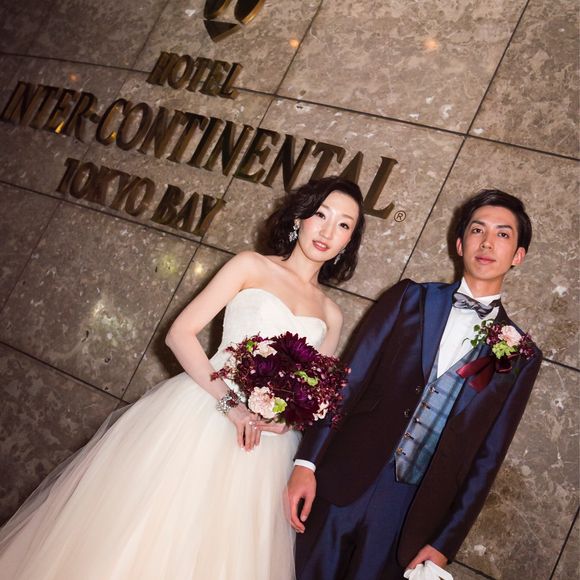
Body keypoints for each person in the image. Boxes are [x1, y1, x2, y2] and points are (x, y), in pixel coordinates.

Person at [0, 176, 366, 580]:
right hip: (202, 413)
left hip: (264, 451)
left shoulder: (331, 314)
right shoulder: (250, 265)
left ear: (348, 242)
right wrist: (231, 405)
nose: (327, 231)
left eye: (343, 225)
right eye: (321, 215)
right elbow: (179, 334)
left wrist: (286, 421)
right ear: (299, 218)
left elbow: (312, 393)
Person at [287, 189, 543, 580]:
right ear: (460, 244)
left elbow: (487, 457)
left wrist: (446, 541)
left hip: (409, 514)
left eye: (503, 234)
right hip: (341, 480)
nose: (487, 243)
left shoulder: (520, 354)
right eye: (477, 230)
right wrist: (306, 463)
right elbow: (348, 382)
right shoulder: (409, 298)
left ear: (518, 255)